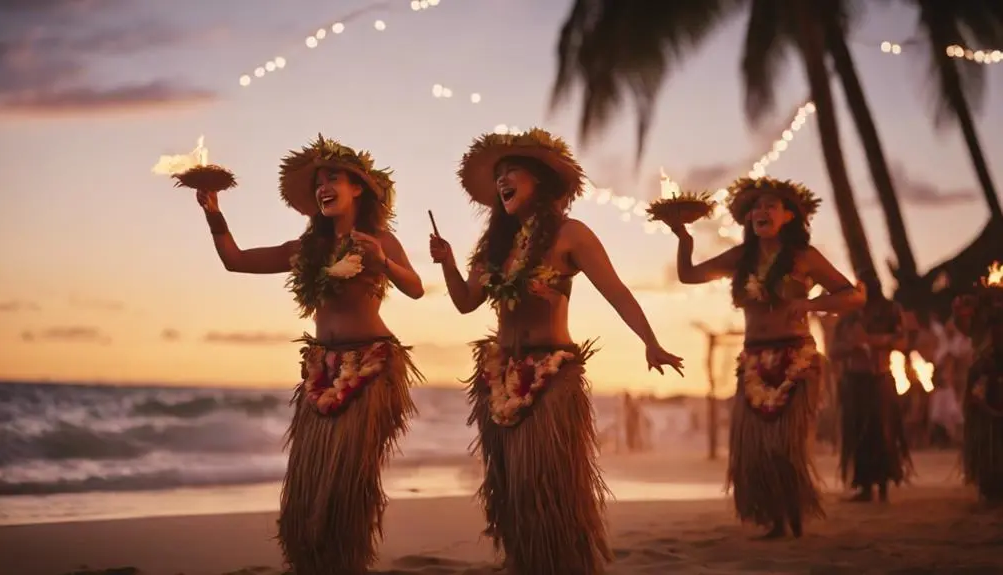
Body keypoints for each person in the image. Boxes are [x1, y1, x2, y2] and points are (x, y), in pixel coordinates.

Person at [429, 128, 684, 574]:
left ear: (542, 183)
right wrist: (449, 263)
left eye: (514, 171)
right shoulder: (495, 248)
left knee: (545, 485)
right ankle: (526, 561)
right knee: (509, 488)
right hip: (498, 376)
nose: (503, 179)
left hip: (550, 377)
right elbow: (466, 303)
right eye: (500, 174)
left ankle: (561, 562)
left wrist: (650, 341)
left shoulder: (570, 234)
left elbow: (617, 292)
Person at [195, 135, 425, 574]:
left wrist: (382, 263)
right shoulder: (306, 250)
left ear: (357, 187)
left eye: (332, 177)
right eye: (318, 181)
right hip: (321, 370)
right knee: (309, 488)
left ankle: (346, 563)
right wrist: (213, 214)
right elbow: (236, 261)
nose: (323, 186)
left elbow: (414, 288)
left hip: (371, 369)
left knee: (346, 487)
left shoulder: (377, 239)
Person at [670, 176, 864, 539]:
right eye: (755, 207)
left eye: (769, 205)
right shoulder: (741, 258)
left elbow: (852, 296)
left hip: (796, 358)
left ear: (788, 216)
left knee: (786, 445)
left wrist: (810, 303)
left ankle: (793, 513)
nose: (760, 211)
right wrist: (684, 240)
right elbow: (689, 275)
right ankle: (775, 518)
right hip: (754, 360)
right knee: (757, 449)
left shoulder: (804, 258)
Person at [830, 273, 913, 503]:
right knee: (859, 434)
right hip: (855, 382)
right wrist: (852, 345)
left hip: (880, 380)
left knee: (883, 432)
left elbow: (902, 342)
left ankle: (883, 483)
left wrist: (875, 341)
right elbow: (833, 351)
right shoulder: (847, 316)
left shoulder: (891, 310)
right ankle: (865, 485)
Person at [953, 269, 1003, 501]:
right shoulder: (977, 321)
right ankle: (988, 483)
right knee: (985, 431)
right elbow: (962, 322)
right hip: (984, 380)